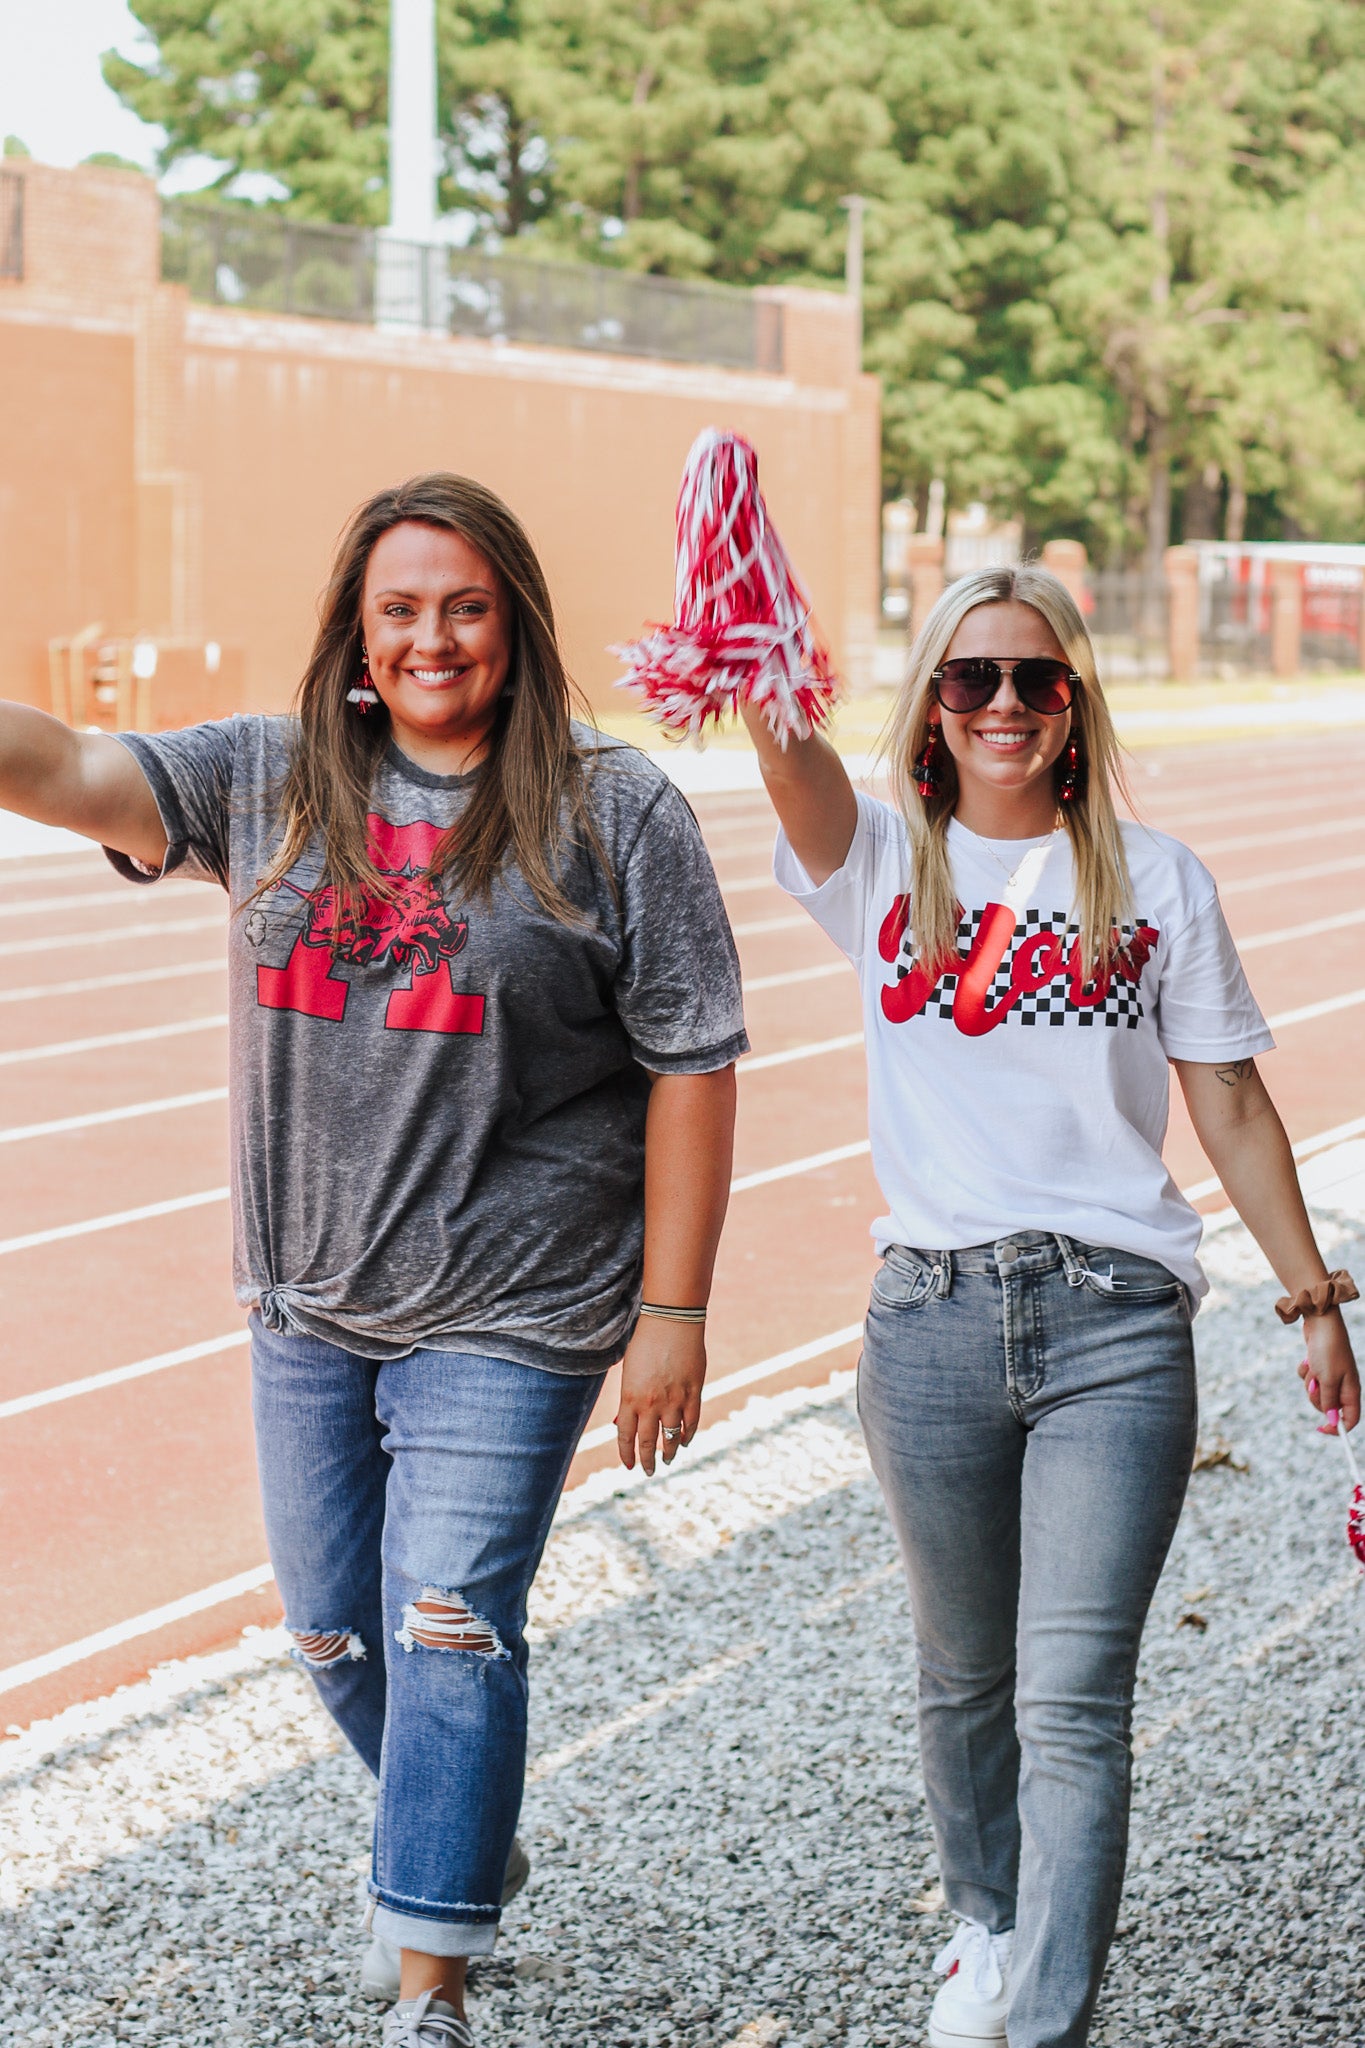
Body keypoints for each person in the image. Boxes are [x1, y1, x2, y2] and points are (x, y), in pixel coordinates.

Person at [0, 474, 747, 2048]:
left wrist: (672, 1311)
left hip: (516, 1299)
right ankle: (456, 1830)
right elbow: (62, 766)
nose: (432, 638)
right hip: (309, 1303)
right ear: (355, 629)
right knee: (333, 1630)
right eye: (399, 608)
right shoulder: (266, 777)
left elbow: (692, 1061)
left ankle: (430, 1989)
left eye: (466, 606)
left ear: (515, 624)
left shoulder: (615, 811)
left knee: (449, 1620)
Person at [739, 564, 1360, 2048]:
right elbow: (787, 757)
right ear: (931, 707)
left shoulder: (1156, 881)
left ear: (1073, 704)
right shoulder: (878, 864)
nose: (1002, 704)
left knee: (1072, 1697)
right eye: (971, 678)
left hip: (1115, 1324)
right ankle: (989, 1924)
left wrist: (1311, 1299)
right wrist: (749, 628)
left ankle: (1046, 2025)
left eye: (1035, 678)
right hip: (929, 1319)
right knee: (964, 1675)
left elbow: (1227, 1098)